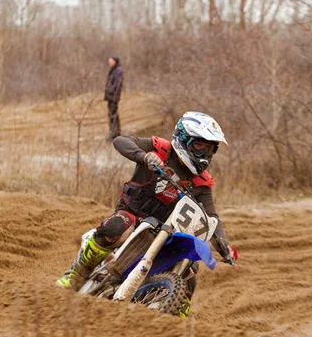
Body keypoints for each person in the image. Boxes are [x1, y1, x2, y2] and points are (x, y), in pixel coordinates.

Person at [56, 111, 236, 303]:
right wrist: (144, 157)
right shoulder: (161, 149)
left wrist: (223, 243)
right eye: (200, 145)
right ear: (183, 139)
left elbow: (211, 216)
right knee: (117, 226)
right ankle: (76, 273)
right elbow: (121, 141)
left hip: (165, 231)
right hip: (133, 214)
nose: (204, 154)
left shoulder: (202, 181)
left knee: (190, 268)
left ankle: (173, 314)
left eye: (209, 149)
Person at [104, 55, 123, 140]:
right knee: (111, 114)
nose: (109, 62)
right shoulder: (113, 70)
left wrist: (110, 91)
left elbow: (117, 84)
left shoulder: (118, 71)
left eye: (110, 60)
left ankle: (115, 135)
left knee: (113, 115)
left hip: (113, 96)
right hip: (110, 97)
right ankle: (114, 134)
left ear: (115, 61)